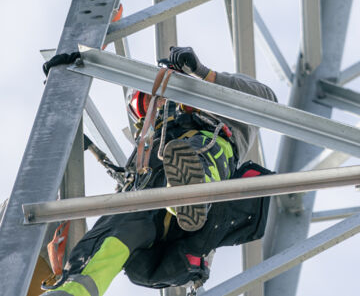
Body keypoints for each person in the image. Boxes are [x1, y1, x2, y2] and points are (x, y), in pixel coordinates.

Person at [42, 47, 276, 296]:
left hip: (202, 162)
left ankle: (191, 194)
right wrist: (65, 85)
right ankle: (73, 291)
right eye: (153, 102)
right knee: (113, 231)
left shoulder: (216, 110)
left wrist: (202, 74)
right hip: (153, 215)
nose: (163, 104)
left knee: (196, 155)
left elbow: (266, 100)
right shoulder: (144, 154)